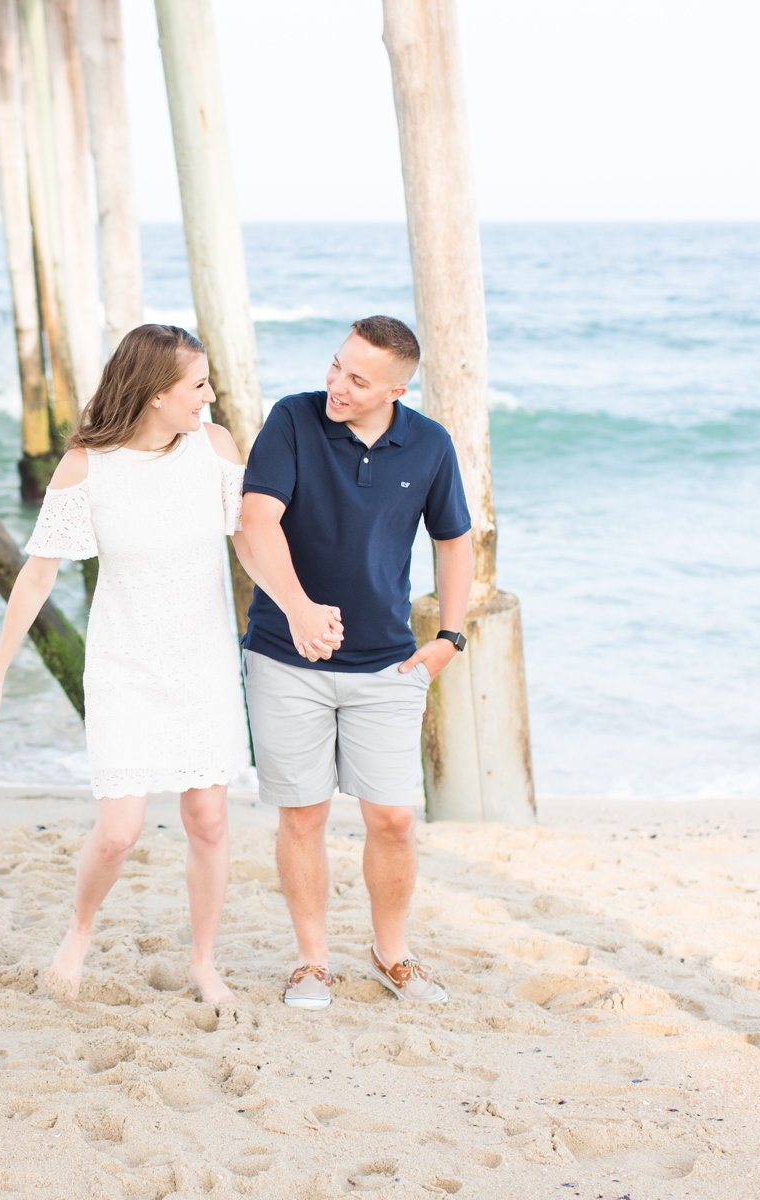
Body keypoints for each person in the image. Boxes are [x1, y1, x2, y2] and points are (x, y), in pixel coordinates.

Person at [0, 324, 249, 1006]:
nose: (210, 397)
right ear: (155, 395)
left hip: (203, 662)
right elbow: (37, 578)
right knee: (119, 831)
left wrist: (304, 610)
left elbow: (254, 547)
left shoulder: (215, 449)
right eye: (198, 386)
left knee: (209, 821)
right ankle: (80, 929)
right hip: (126, 665)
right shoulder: (88, 466)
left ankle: (204, 961)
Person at [234, 316, 473, 1008]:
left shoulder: (428, 444)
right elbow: (257, 521)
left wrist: (449, 638)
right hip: (285, 657)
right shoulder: (292, 420)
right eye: (336, 366)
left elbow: (454, 541)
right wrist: (299, 608)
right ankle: (312, 961)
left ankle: (391, 951)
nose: (336, 384)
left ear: (398, 389)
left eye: (358, 378)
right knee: (303, 816)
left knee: (393, 819)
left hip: (389, 666)